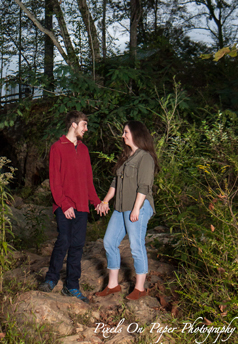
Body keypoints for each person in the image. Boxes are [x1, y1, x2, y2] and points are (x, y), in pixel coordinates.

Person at [38, 111, 105, 302]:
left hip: (82, 206)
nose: (86, 129)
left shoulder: (84, 150)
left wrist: (96, 202)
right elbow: (55, 181)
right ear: (73, 125)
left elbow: (88, 182)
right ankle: (51, 279)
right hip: (63, 204)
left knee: (77, 246)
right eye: (84, 124)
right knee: (64, 241)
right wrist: (65, 204)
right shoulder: (57, 148)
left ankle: (72, 286)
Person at [95, 121, 159, 301]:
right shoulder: (126, 158)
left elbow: (144, 186)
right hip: (120, 207)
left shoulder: (145, 157)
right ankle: (112, 285)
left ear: (136, 134)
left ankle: (140, 288)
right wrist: (105, 201)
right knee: (109, 241)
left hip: (138, 206)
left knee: (136, 245)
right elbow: (115, 183)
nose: (123, 136)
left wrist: (137, 209)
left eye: (125, 132)